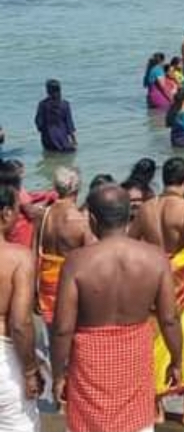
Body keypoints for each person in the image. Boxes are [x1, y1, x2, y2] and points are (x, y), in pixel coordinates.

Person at [51, 185, 183, 432]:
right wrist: (177, 360)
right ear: (129, 215)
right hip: (135, 358)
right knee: (136, 424)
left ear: (92, 219)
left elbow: (62, 329)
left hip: (90, 362)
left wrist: (58, 374)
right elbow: (169, 319)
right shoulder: (155, 258)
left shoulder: (77, 262)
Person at [130, 156, 184, 423]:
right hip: (182, 281)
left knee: (155, 339)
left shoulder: (145, 209)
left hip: (153, 277)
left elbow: (130, 242)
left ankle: (157, 407)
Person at [0, 184, 40, 432]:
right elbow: (20, 324)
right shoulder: (18, 257)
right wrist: (30, 371)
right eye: (17, 210)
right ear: (5, 213)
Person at [35, 167, 93, 330]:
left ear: (55, 186)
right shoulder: (80, 221)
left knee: (50, 331)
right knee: (70, 331)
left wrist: (33, 292)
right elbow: (92, 263)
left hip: (45, 284)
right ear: (78, 188)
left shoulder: (43, 215)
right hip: (68, 284)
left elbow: (34, 253)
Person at [34, 79, 76, 154]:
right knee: (67, 156)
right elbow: (69, 124)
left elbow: (38, 122)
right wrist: (74, 140)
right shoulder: (65, 104)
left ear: (47, 91)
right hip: (63, 138)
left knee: (51, 157)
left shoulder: (43, 104)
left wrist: (43, 131)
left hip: (48, 138)